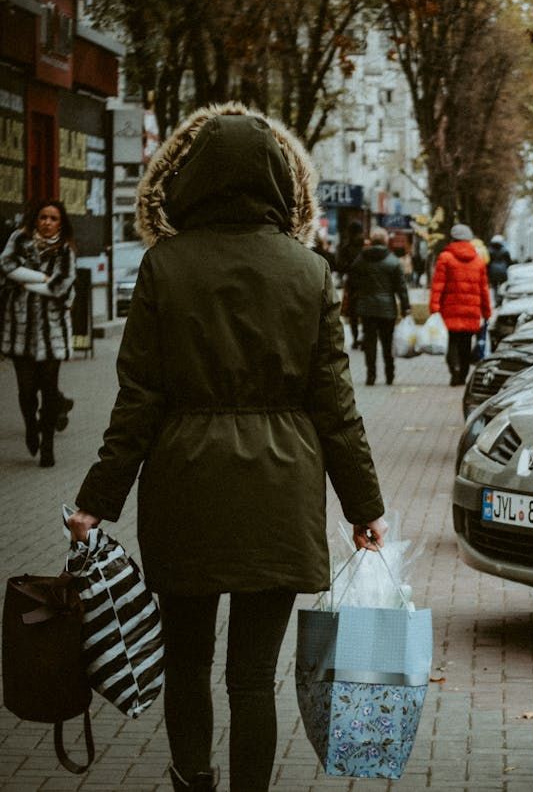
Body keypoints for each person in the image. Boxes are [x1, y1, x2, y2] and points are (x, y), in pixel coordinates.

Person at [64, 103, 388, 792]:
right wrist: (364, 505)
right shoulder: (310, 272)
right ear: (279, 180)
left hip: (186, 487)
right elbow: (335, 405)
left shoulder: (163, 266)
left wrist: (98, 499)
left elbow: (138, 401)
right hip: (279, 494)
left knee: (186, 661)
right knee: (251, 677)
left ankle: (192, 780)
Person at [0, 199, 76, 467]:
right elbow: (6, 267)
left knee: (49, 389)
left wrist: (27, 281)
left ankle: (47, 445)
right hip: (20, 329)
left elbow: (60, 288)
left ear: (60, 222)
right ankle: (31, 427)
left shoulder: (65, 251)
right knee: (26, 391)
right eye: (43, 217)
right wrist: (43, 278)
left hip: (52, 332)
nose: (47, 222)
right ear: (36, 219)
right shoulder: (19, 240)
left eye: (53, 218)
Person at [347, 226, 410, 386]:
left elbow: (352, 283)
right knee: (387, 343)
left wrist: (355, 301)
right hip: (387, 308)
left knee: (370, 344)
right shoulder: (393, 261)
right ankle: (390, 375)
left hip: (366, 307)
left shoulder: (360, 260)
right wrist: (405, 307)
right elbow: (401, 288)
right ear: (385, 241)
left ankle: (371, 376)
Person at [429, 223, 491, 386]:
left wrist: (434, 307)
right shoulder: (478, 261)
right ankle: (463, 373)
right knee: (466, 343)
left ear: (453, 238)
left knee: (452, 341)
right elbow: (484, 289)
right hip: (472, 310)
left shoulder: (445, 258)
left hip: (450, 309)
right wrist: (487, 312)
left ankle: (454, 370)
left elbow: (438, 285)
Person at [334, 221, 366, 349]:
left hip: (352, 284)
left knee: (353, 314)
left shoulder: (345, 248)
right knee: (364, 313)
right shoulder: (365, 247)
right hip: (365, 284)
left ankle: (355, 338)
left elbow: (340, 266)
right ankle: (363, 338)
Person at [487, 233, 513, 306]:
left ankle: (496, 300)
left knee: (495, 287)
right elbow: (509, 262)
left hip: (493, 271)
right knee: (502, 286)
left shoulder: (489, 251)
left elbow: (488, 262)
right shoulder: (505, 251)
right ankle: (500, 299)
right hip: (502, 271)